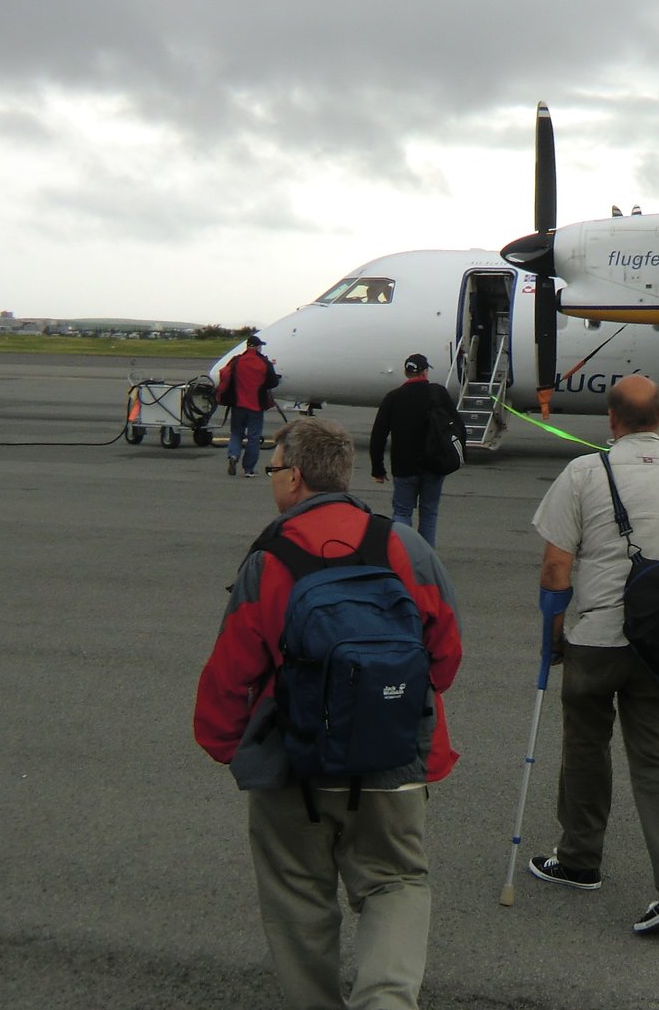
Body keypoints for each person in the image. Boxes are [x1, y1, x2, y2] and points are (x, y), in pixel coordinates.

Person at [194, 417, 463, 1010]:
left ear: (294, 477)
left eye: (273, 469)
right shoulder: (406, 545)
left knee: (298, 898)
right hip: (393, 757)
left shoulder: (269, 558)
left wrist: (227, 745)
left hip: (294, 759)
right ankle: (386, 1002)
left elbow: (231, 671)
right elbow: (444, 657)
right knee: (395, 882)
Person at [526, 374, 659, 935]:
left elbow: (555, 567)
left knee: (585, 746)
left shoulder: (583, 472)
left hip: (597, 637)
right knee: (654, 757)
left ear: (611, 420)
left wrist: (553, 636)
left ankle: (579, 858)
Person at [369, 354, 467, 546]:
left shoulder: (393, 397)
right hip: (435, 463)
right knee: (429, 512)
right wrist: (457, 453)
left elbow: (378, 435)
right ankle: (426, 556)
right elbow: (458, 426)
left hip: (404, 465)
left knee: (402, 512)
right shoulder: (438, 393)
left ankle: (402, 553)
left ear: (406, 372)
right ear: (424, 372)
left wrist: (378, 469)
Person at [217, 334, 280, 476]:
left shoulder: (236, 361)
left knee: (236, 433)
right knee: (253, 438)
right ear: (257, 347)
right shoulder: (264, 363)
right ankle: (248, 469)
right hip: (256, 406)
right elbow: (273, 382)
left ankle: (233, 455)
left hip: (238, 405)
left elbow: (227, 376)